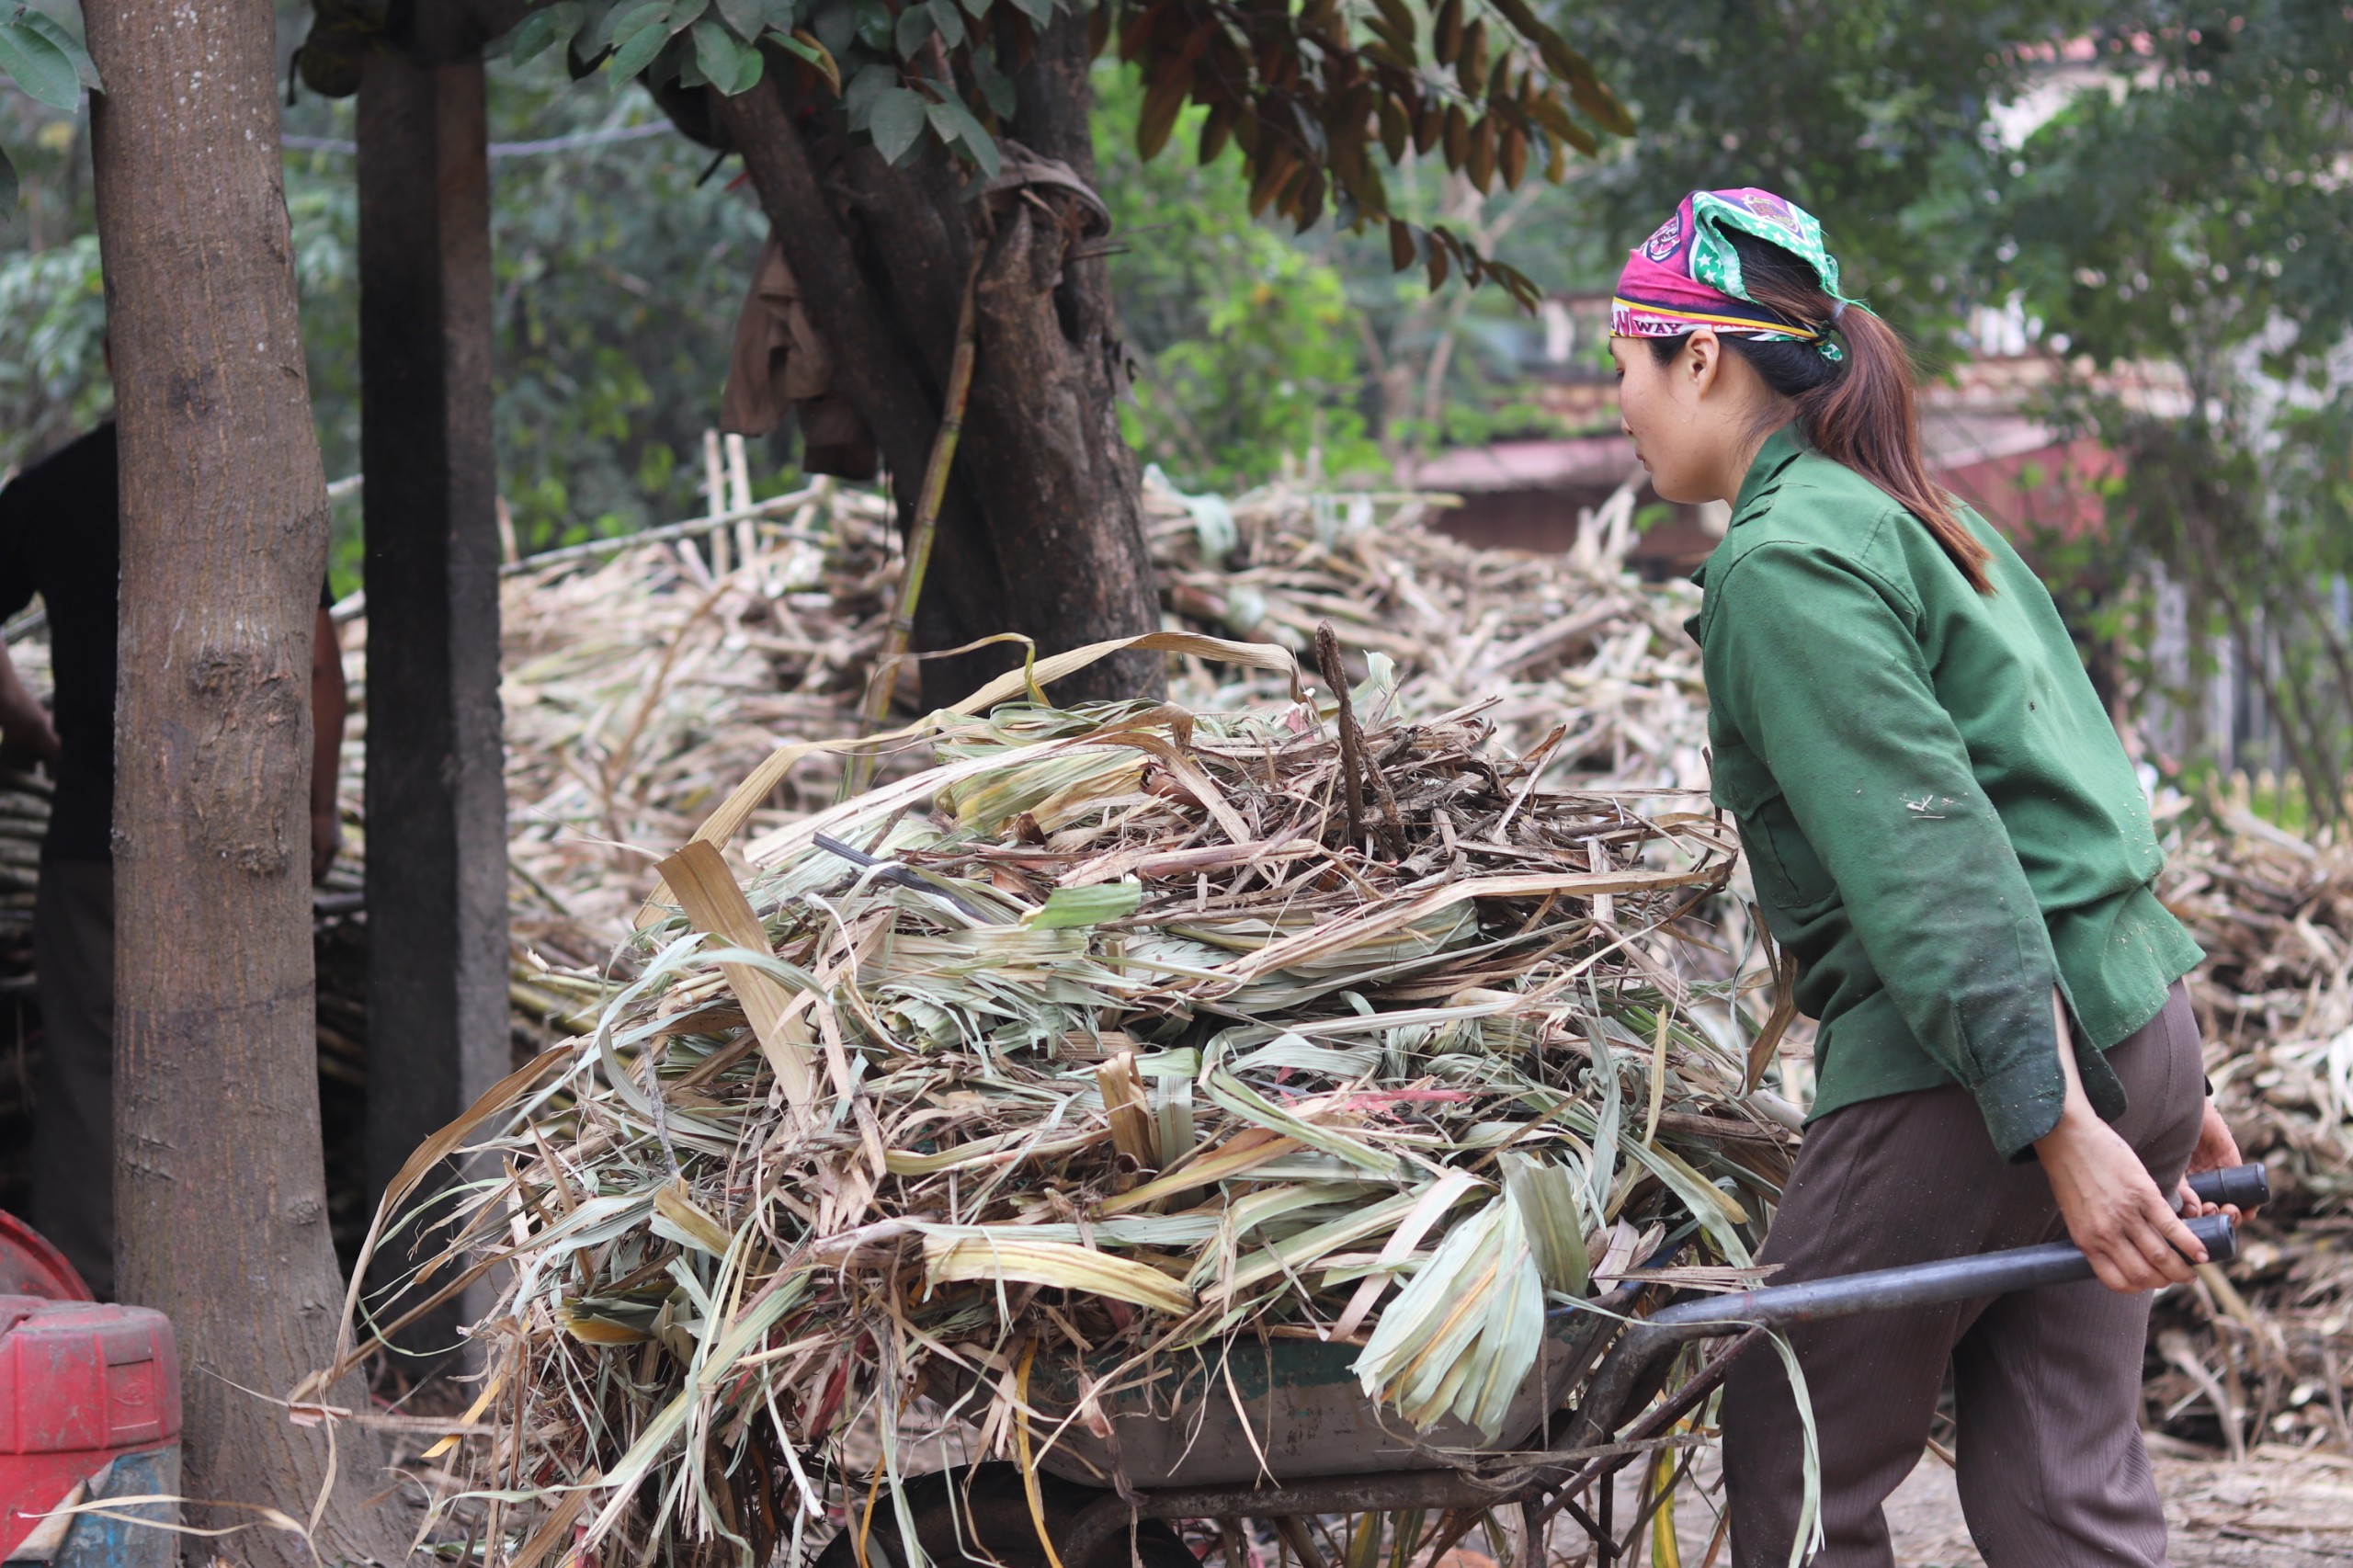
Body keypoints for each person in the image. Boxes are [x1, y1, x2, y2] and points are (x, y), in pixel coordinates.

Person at [1609, 189, 2245, 1566]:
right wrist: (2152, 1074)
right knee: (2066, 1485)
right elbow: (2068, 777)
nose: (1622, 401)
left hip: (1975, 1078)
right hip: (2128, 1029)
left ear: (1701, 356)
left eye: (1625, 363)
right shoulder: (1916, 509)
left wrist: (2062, 1123)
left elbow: (1935, 857)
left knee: (1793, 1445)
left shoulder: (1785, 563)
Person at [0, 415, 347, 1301]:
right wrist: (315, 808)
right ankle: (237, 1312)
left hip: (93, 845)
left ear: (119, 344)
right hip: (236, 850)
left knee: (90, 1081)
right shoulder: (253, 486)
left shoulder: (49, 490)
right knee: (243, 1070)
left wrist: (32, 728)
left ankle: (89, 1316)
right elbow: (317, 668)